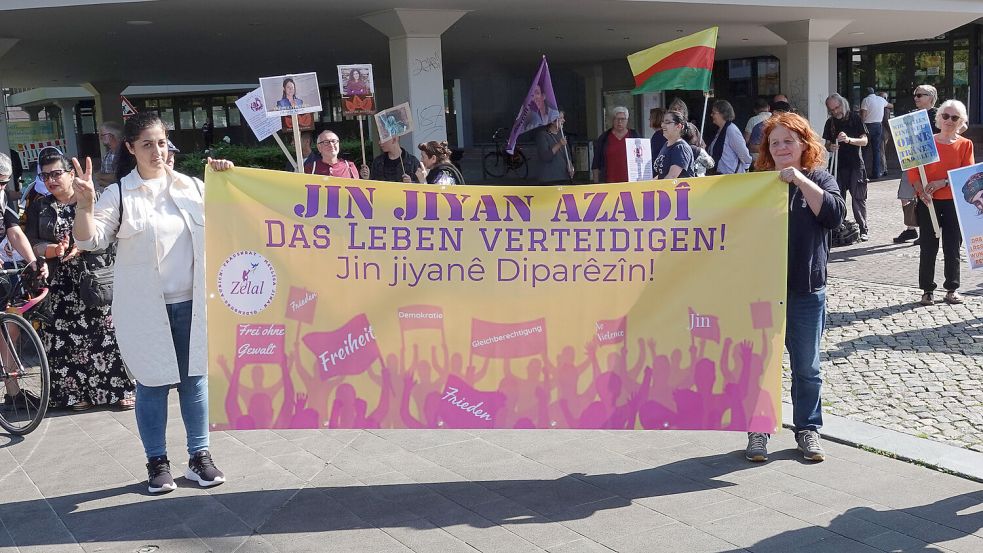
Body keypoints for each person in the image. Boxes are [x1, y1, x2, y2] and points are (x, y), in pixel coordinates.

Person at [72, 112, 232, 494]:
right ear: (131, 148)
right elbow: (88, 241)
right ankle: (157, 462)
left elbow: (233, 218)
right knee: (152, 384)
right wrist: (84, 205)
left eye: (161, 142)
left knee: (195, 380)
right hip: (145, 309)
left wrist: (228, 178)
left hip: (193, 303)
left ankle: (199, 458)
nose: (156, 151)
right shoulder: (120, 194)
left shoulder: (193, 187)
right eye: (146, 144)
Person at [747, 112, 846, 463]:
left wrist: (802, 181)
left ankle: (807, 429)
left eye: (789, 140)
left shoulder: (819, 178)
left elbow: (834, 214)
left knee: (807, 367)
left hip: (806, 290)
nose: (782, 147)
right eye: (775, 143)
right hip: (762, 291)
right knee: (760, 363)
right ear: (767, 150)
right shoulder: (756, 182)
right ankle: (758, 430)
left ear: (804, 144)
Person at [24, 149, 134, 411]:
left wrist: (81, 246)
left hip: (94, 278)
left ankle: (119, 390)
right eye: (45, 175)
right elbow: (33, 243)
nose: (51, 180)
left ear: (71, 174)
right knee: (64, 338)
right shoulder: (41, 206)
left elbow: (109, 235)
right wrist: (52, 250)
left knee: (106, 333)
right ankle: (74, 395)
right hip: (60, 284)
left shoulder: (92, 198)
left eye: (56, 173)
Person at [908, 100, 974, 307]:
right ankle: (927, 290)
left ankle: (952, 289)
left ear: (961, 121)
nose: (949, 121)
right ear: (938, 118)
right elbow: (913, 171)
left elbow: (966, 176)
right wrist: (921, 192)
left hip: (954, 203)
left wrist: (942, 182)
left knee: (953, 246)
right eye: (945, 116)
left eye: (954, 118)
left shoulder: (965, 144)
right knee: (928, 246)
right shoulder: (924, 141)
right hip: (929, 202)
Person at [0, 153, 48, 407]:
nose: (0, 187)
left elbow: (14, 230)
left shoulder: (3, 196)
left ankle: (13, 392)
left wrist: (32, 261)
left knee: (11, 326)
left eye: (3, 182)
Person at [895, 85, 940, 244]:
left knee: (924, 195)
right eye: (915, 95)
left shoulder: (939, 116)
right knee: (905, 195)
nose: (916, 98)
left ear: (931, 97)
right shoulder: (912, 115)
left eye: (920, 95)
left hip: (928, 164)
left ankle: (926, 231)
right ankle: (910, 229)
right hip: (912, 161)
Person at [823, 93, 870, 241]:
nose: (835, 111)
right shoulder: (830, 122)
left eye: (837, 107)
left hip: (856, 164)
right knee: (837, 197)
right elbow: (827, 145)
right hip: (838, 165)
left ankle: (863, 229)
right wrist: (831, 146)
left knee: (858, 198)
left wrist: (849, 140)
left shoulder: (855, 118)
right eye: (832, 110)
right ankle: (838, 227)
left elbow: (865, 141)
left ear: (843, 104)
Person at [591, 107, 638, 183]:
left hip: (631, 183)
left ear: (627, 121)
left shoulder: (634, 136)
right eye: (616, 119)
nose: (619, 122)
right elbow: (596, 163)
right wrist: (596, 184)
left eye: (623, 119)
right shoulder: (604, 138)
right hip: (609, 183)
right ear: (612, 120)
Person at [708, 100, 752, 174]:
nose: (711, 115)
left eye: (713, 113)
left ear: (722, 114)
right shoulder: (720, 131)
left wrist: (746, 169)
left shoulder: (731, 130)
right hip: (720, 175)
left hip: (730, 176)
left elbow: (743, 153)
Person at [859, 87, 892, 180]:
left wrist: (861, 122)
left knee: (865, 149)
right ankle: (876, 173)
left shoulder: (866, 100)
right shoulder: (881, 100)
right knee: (876, 150)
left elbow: (863, 116)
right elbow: (891, 105)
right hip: (878, 126)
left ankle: (863, 173)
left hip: (868, 126)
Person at [652, 111, 694, 179]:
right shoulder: (666, 145)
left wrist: (657, 188)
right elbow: (661, 174)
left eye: (667, 122)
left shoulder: (681, 147)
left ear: (678, 126)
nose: (662, 125)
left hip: (680, 189)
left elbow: (672, 176)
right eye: (662, 122)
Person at [536, 112, 575, 185]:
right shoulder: (543, 135)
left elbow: (568, 156)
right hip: (549, 180)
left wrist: (571, 167)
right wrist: (559, 144)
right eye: (561, 118)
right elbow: (546, 157)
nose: (564, 120)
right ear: (552, 121)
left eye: (563, 118)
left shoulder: (562, 135)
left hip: (564, 178)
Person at [95, 121, 123, 189]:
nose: (100, 138)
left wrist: (99, 176)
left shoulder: (126, 154)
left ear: (111, 136)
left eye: (102, 135)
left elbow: (119, 177)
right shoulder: (107, 156)